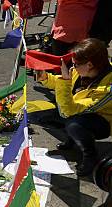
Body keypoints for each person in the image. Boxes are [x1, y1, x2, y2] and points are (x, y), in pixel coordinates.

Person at [36, 38, 112, 176]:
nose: (73, 66)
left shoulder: (107, 88)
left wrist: (64, 81)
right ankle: (72, 139)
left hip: (104, 122)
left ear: (89, 64)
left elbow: (67, 111)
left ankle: (91, 156)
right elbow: (65, 85)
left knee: (73, 124)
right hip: (79, 110)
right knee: (42, 116)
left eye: (75, 64)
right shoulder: (82, 69)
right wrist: (44, 77)